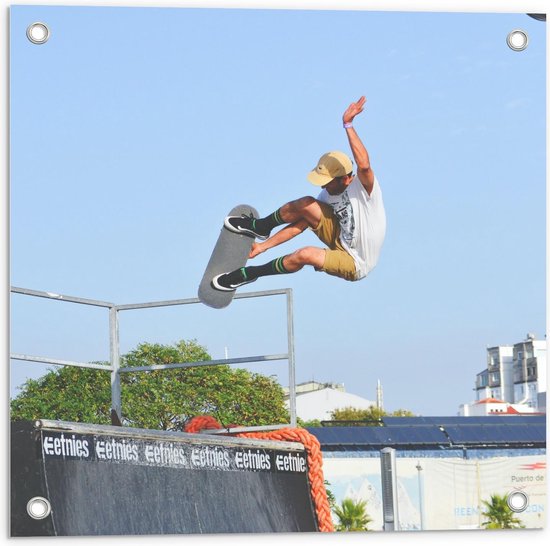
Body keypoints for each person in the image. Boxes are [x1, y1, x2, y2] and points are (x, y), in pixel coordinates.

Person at [212, 96, 386, 292]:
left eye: (327, 183)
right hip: (338, 235)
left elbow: (364, 164)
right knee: (305, 204)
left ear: (345, 178)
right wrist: (263, 247)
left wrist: (348, 124)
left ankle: (249, 274)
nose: (323, 188)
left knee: (305, 254)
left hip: (355, 262)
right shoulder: (325, 197)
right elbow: (298, 227)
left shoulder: (364, 189)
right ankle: (261, 227)